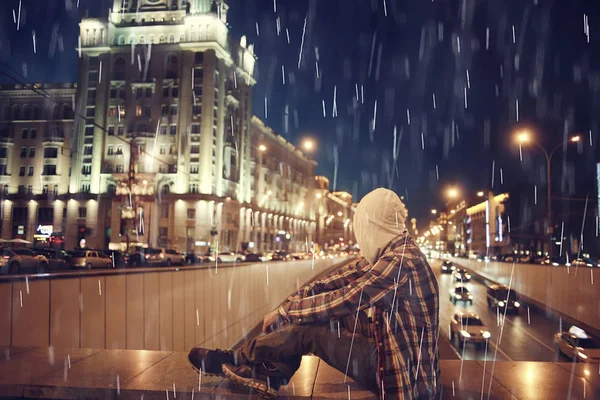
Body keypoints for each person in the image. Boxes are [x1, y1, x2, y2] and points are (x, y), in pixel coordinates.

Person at [188, 188, 440, 399]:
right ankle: (269, 373)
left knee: (311, 330)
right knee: (315, 315)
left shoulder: (400, 262)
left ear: (371, 225)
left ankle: (235, 358)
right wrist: (296, 300)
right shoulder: (396, 252)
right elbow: (342, 278)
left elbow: (347, 298)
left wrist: (287, 311)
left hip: (400, 376)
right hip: (394, 355)